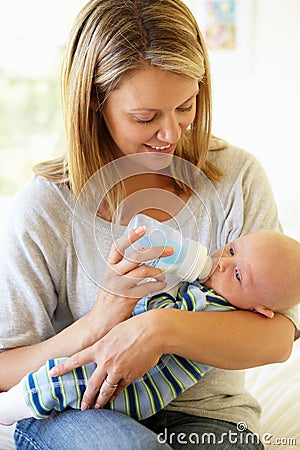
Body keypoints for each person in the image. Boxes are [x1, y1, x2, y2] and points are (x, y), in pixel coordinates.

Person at [0, 0, 298, 449]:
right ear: (95, 102)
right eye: (145, 117)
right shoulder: (45, 208)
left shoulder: (236, 176)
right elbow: (5, 369)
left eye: (186, 105)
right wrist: (102, 320)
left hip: (208, 417)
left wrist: (158, 329)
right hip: (80, 409)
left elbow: (277, 337)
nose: (172, 133)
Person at [1, 229, 300, 427]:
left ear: (261, 310)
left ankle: (8, 409)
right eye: (232, 249)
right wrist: (99, 320)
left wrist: (157, 322)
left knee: (62, 383)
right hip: (117, 390)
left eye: (237, 275)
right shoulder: (210, 290)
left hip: (134, 391)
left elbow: (280, 340)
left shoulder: (216, 307)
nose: (221, 262)